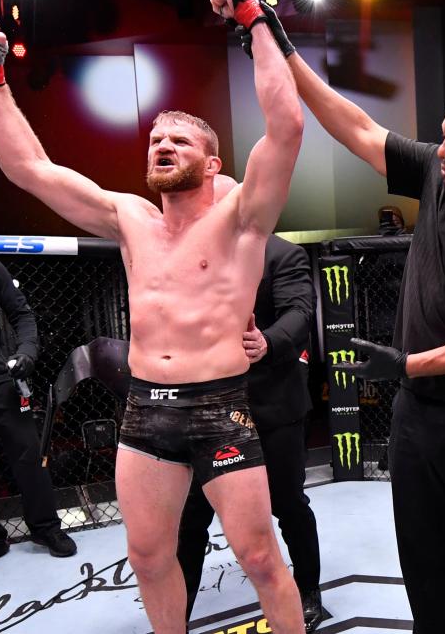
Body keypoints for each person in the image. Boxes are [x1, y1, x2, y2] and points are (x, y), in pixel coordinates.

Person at [0, 0, 307, 634]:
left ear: (212, 162)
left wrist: (251, 18)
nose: (162, 143)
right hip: (144, 412)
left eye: (179, 139)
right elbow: (27, 167)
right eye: (156, 138)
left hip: (219, 406)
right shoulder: (129, 218)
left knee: (259, 555)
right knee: (149, 556)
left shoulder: (243, 217)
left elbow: (286, 128)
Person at [248, 3, 445, 634]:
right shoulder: (439, 175)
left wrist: (409, 363)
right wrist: (279, 41)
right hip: (416, 415)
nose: (442, 148)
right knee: (422, 560)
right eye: (443, 135)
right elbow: (354, 127)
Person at [177, 175, 323, 630]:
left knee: (287, 503)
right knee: (191, 515)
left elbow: (300, 311)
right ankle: (175, 615)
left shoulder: (282, 253)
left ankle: (310, 591)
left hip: (270, 403)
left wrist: (268, 342)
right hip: (205, 408)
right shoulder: (189, 258)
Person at [0, 257, 77, 567]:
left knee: (28, 453)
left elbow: (22, 314)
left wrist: (26, 352)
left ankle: (46, 529)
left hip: (0, 379)